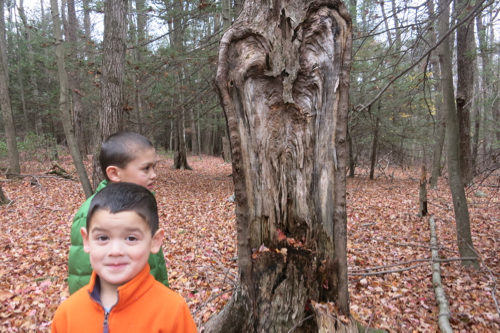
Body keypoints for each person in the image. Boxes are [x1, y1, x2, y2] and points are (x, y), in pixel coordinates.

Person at [52, 183, 197, 332]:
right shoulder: (67, 315)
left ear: (155, 241)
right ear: (87, 241)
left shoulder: (172, 312)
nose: (115, 251)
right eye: (102, 238)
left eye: (131, 238)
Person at [68, 132, 169, 294]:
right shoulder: (91, 213)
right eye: (146, 168)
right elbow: (84, 274)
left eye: (153, 167)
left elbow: (154, 265)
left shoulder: (141, 205)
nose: (154, 175)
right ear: (115, 173)